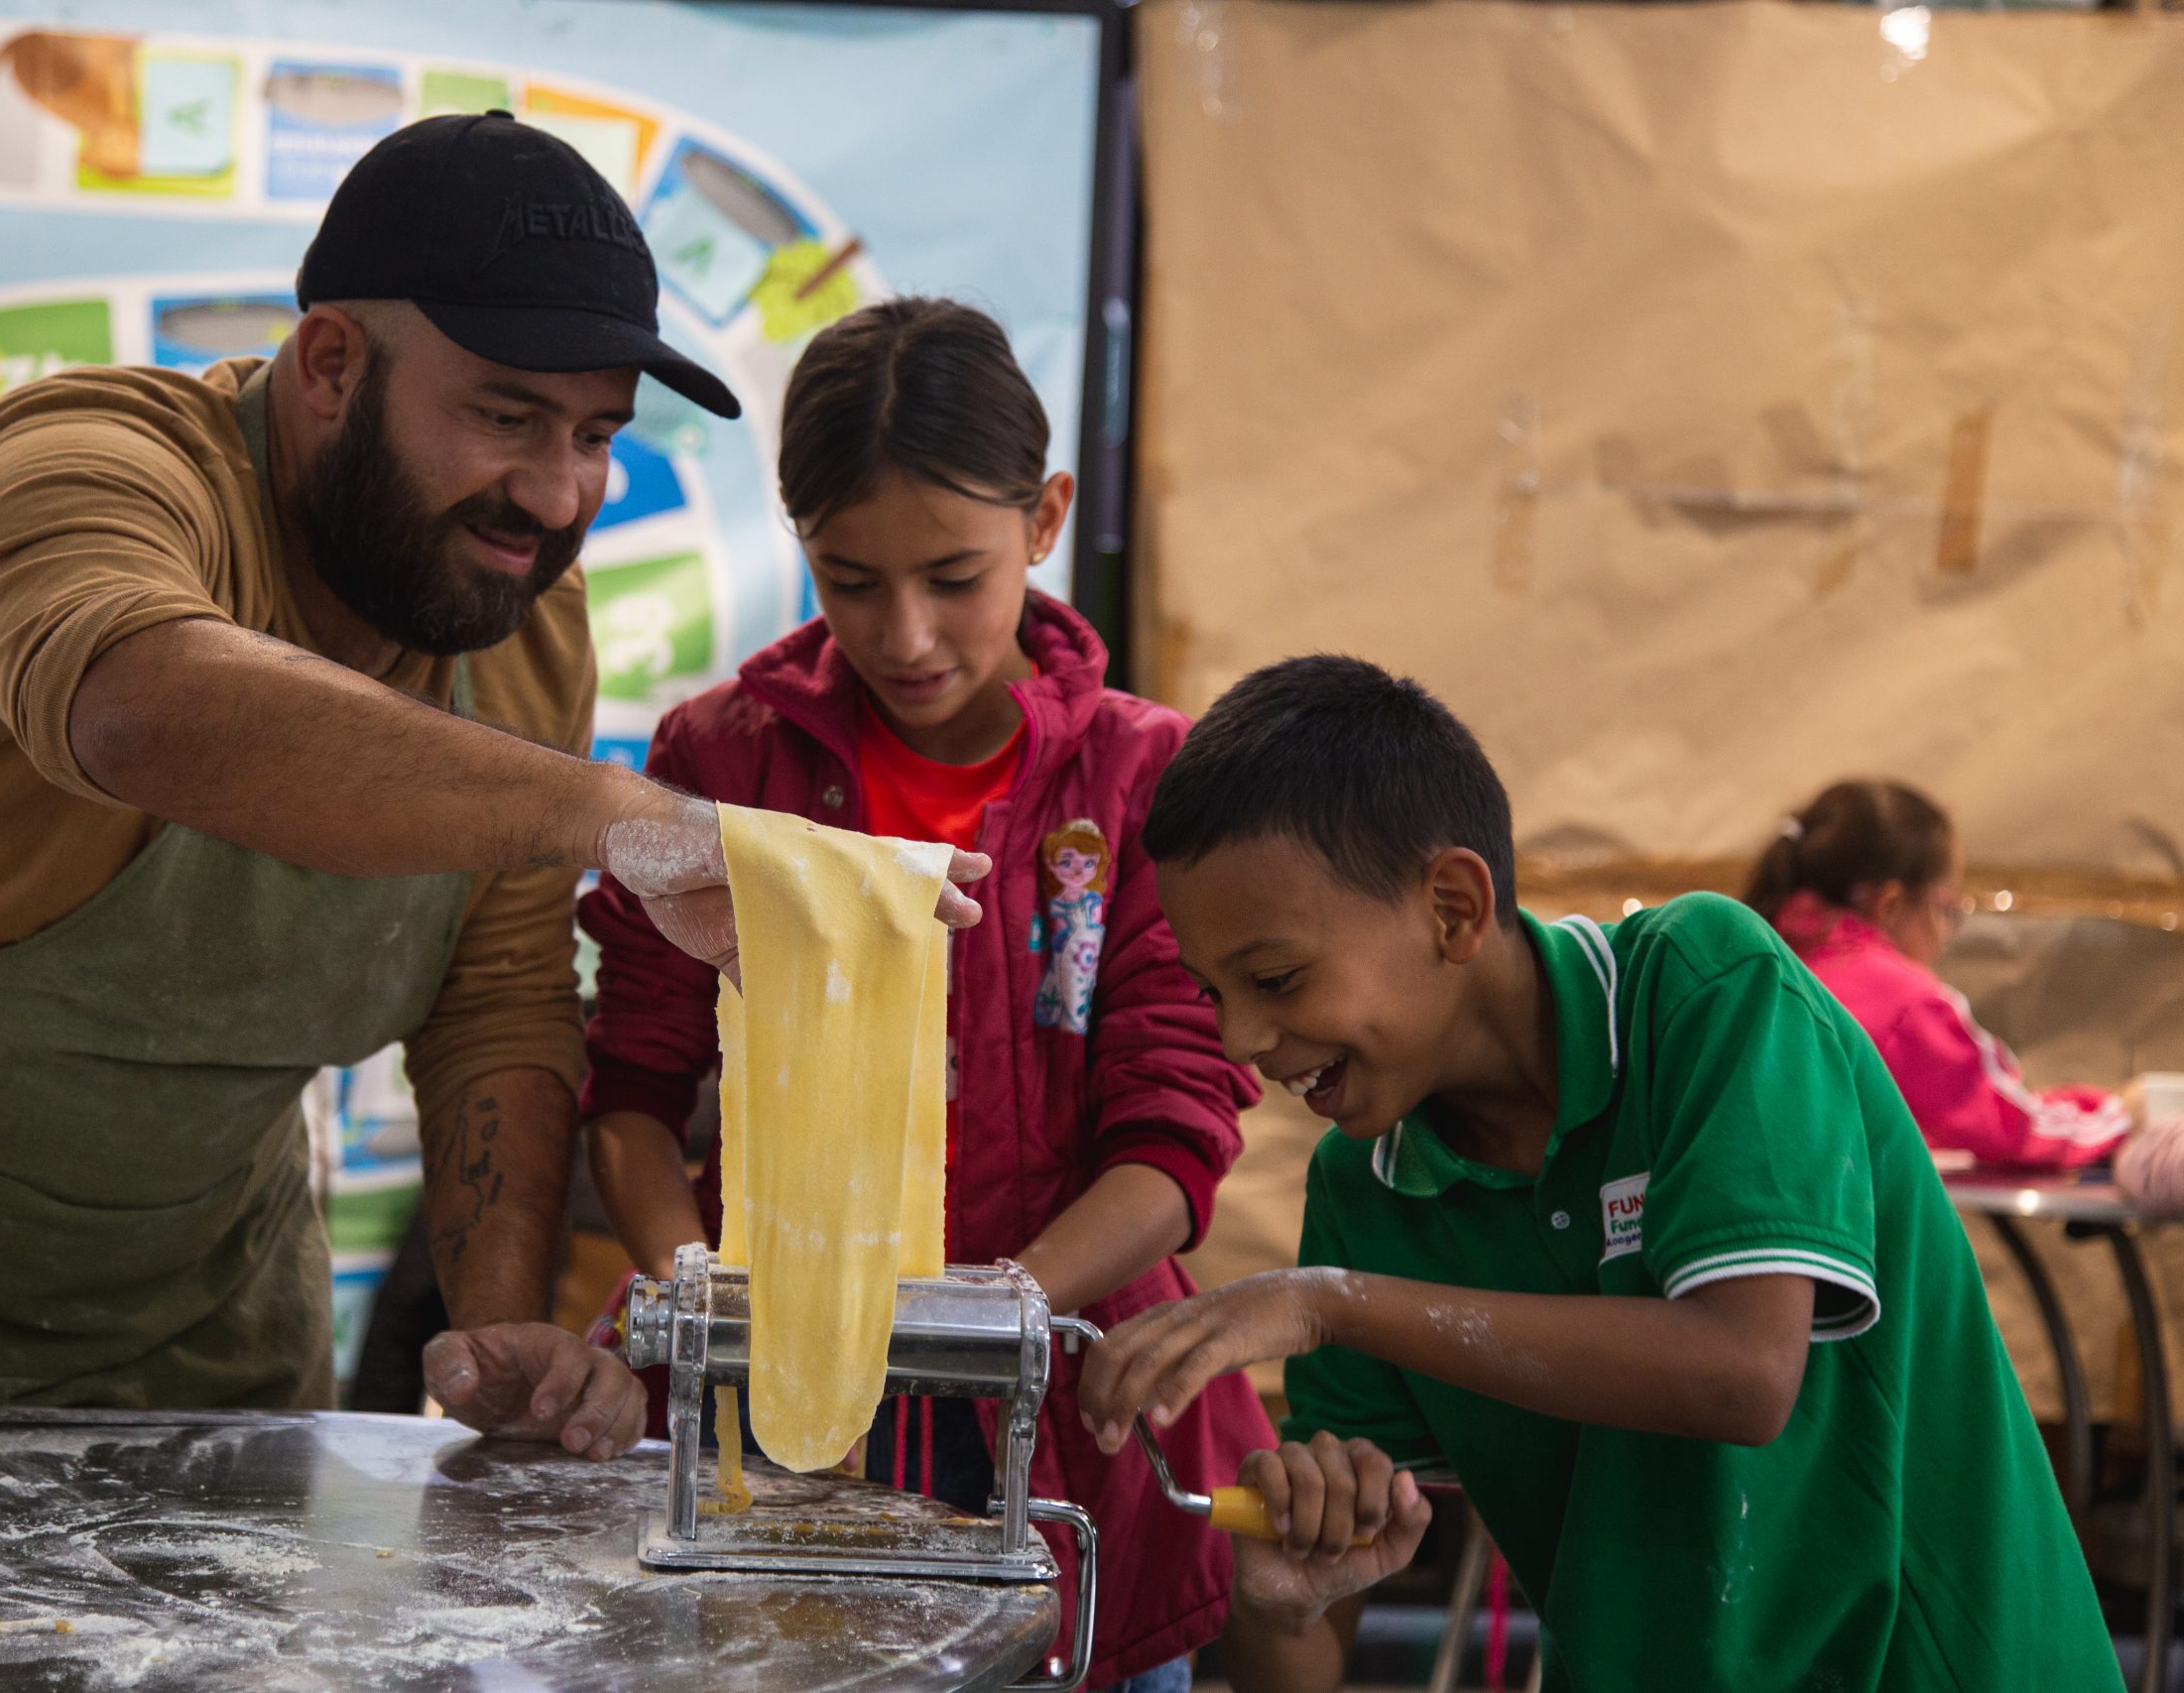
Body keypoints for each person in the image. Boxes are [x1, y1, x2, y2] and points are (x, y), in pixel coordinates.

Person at [0, 113, 981, 1447]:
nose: (560, 494)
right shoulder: (80, 470)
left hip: (191, 1366)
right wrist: (618, 816)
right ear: (332, 362)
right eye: (507, 415)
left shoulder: (515, 622)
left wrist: (500, 1318)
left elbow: (498, 997)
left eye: (593, 434)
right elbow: (140, 706)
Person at [1074, 656, 2121, 1693]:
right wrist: (1280, 1601)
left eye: (1274, 979)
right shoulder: (1368, 1189)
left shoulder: (1707, 989)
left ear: (1451, 907)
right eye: (1211, 993)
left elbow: (1742, 1372)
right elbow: (1303, 1664)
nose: (1244, 1038)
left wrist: (1333, 1306)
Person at [576, 299, 1274, 1691]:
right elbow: (636, 1089)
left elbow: (1173, 1131)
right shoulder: (725, 758)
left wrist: (978, 1317)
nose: (907, 634)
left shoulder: (1142, 781)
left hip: (1062, 1398)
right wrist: (698, 1290)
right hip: (760, 1403)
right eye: (850, 579)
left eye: (955, 575)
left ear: (1047, 516)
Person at [1744, 779, 2134, 1170]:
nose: (1949, 936)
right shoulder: (1903, 1000)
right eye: (1947, 910)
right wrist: (2121, 1113)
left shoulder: (1755, 959)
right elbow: (2007, 1127)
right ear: (1891, 904)